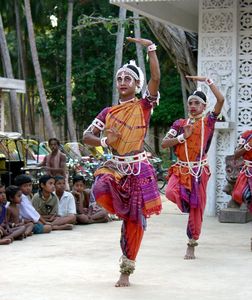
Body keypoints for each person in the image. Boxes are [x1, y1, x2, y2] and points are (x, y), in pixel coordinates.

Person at [83, 37, 162, 287]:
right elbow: (87, 136)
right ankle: (122, 210)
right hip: (115, 168)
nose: (122, 82)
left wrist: (150, 49)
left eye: (128, 78)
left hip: (139, 169)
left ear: (137, 84)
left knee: (135, 222)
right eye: (119, 78)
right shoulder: (108, 112)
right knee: (99, 187)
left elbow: (156, 79)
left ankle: (126, 270)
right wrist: (106, 141)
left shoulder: (144, 106)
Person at [161, 75, 224, 260]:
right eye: (191, 103)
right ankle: (188, 203)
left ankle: (191, 245)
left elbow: (220, 100)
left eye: (197, 103)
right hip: (181, 169)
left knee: (197, 212)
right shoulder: (180, 124)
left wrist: (208, 81)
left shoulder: (208, 122)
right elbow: (165, 143)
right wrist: (182, 137)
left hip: (198, 171)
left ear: (204, 106)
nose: (193, 106)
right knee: (171, 192)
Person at [232, 130, 252, 211]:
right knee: (242, 195)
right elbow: (236, 155)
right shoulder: (247, 135)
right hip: (248, 172)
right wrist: (248, 146)